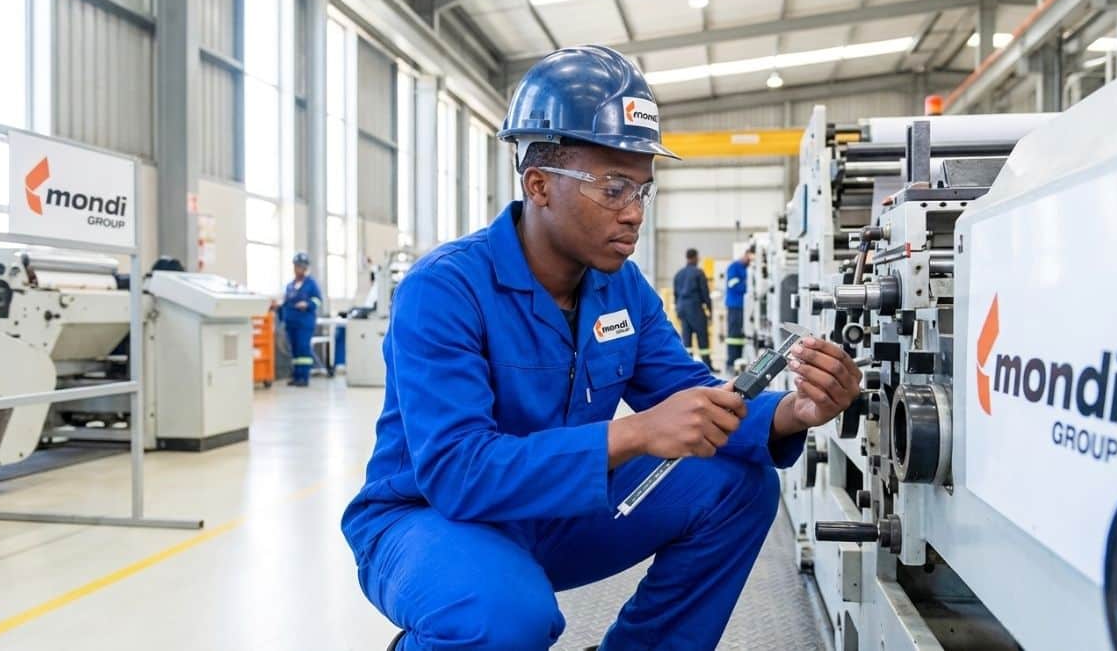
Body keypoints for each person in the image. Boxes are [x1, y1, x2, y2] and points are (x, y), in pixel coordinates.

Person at [341, 45, 862, 651]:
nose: (634, 213)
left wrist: (793, 411)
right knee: (506, 616)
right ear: (538, 184)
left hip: (554, 509)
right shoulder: (445, 288)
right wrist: (635, 434)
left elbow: (689, 394)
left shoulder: (622, 289)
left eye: (644, 190)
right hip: (430, 518)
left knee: (738, 484)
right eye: (614, 189)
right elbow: (459, 472)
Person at [280, 252, 322, 387]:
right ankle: (296, 376)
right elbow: (286, 302)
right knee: (295, 350)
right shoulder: (290, 286)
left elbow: (318, 300)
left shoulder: (311, 284)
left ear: (305, 268)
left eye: (301, 266)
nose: (298, 269)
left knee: (303, 349)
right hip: (291, 323)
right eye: (297, 266)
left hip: (305, 323)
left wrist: (308, 304)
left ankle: (304, 377)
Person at [673, 248, 714, 371]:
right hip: (695, 308)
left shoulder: (678, 274)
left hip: (682, 308)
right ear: (695, 257)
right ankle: (707, 365)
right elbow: (705, 293)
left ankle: (688, 367)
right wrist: (710, 310)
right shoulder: (699, 273)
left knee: (687, 338)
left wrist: (677, 310)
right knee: (702, 337)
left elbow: (675, 294)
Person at [724, 247, 754, 374]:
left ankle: (739, 360)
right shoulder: (734, 267)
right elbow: (733, 285)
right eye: (751, 256)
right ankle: (731, 362)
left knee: (742, 334)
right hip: (735, 305)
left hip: (746, 307)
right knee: (734, 334)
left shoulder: (748, 268)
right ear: (746, 254)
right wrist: (750, 284)